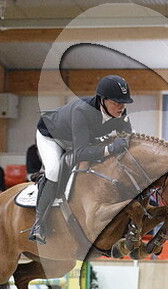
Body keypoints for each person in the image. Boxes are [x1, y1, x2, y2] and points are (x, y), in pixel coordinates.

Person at [31, 74, 134, 244]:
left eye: (123, 103)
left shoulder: (120, 113)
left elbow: (128, 137)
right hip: (52, 136)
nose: (121, 107)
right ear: (102, 100)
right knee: (54, 170)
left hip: (79, 139)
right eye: (116, 102)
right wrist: (109, 148)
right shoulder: (82, 111)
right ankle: (39, 223)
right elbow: (80, 152)